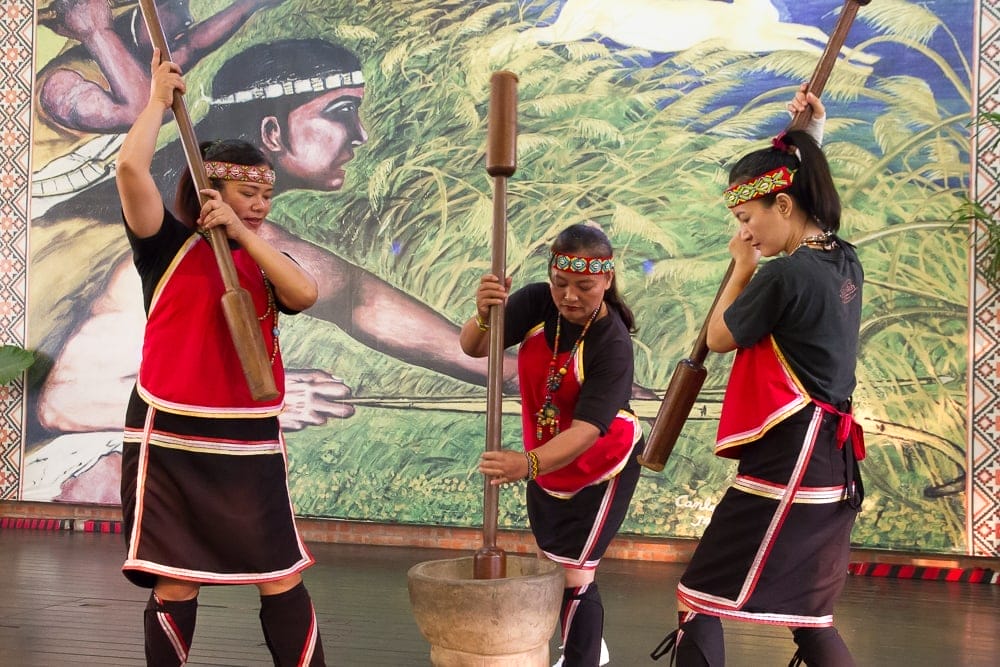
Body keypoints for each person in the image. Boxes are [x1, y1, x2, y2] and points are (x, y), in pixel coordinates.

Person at [116, 50, 324, 665]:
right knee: (175, 575)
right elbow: (130, 170)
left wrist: (238, 231)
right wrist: (157, 101)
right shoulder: (165, 246)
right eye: (245, 191)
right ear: (210, 188)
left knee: (280, 571)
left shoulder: (262, 259)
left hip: (247, 434)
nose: (260, 204)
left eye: (266, 194)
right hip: (173, 429)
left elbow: (304, 293)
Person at [650, 90, 865, 666]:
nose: (746, 234)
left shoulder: (781, 276)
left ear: (784, 205)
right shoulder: (845, 260)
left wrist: (743, 268)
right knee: (807, 615)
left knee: (700, 596)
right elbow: (808, 188)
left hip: (789, 464)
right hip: (829, 464)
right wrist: (809, 136)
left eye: (747, 219)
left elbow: (719, 337)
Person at [460, 223, 644, 667]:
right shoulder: (536, 302)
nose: (570, 296)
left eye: (585, 286)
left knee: (576, 573)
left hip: (599, 463)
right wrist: (485, 313)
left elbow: (585, 431)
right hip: (545, 456)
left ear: (607, 280)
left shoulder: (612, 343)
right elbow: (474, 347)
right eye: (561, 284)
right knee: (553, 564)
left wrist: (525, 464)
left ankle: (582, 657)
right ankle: (583, 648)